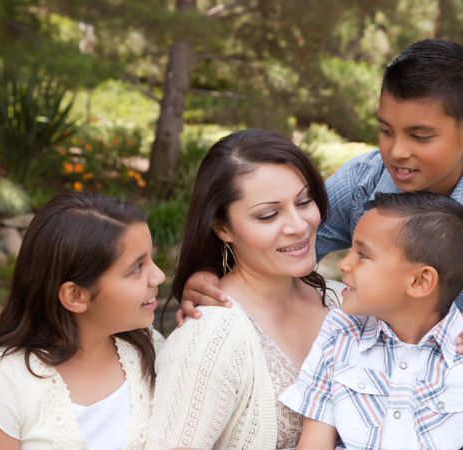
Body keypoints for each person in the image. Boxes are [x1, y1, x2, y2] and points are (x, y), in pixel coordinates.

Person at [179, 39, 463, 449]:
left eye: (420, 136)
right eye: (386, 130)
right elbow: (288, 243)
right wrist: (213, 272)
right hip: (385, 405)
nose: (397, 151)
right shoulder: (363, 180)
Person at [146, 129, 344, 449]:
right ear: (222, 227)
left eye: (304, 201)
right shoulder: (209, 338)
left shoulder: (343, 302)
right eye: (268, 215)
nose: (298, 225)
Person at [281, 191, 463, 449]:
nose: (345, 264)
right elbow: (314, 442)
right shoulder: (340, 332)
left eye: (363, 254)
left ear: (419, 282)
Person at [0, 192, 166, 450]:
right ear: (75, 295)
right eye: (137, 267)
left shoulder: (149, 348)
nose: (159, 276)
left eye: (151, 260)